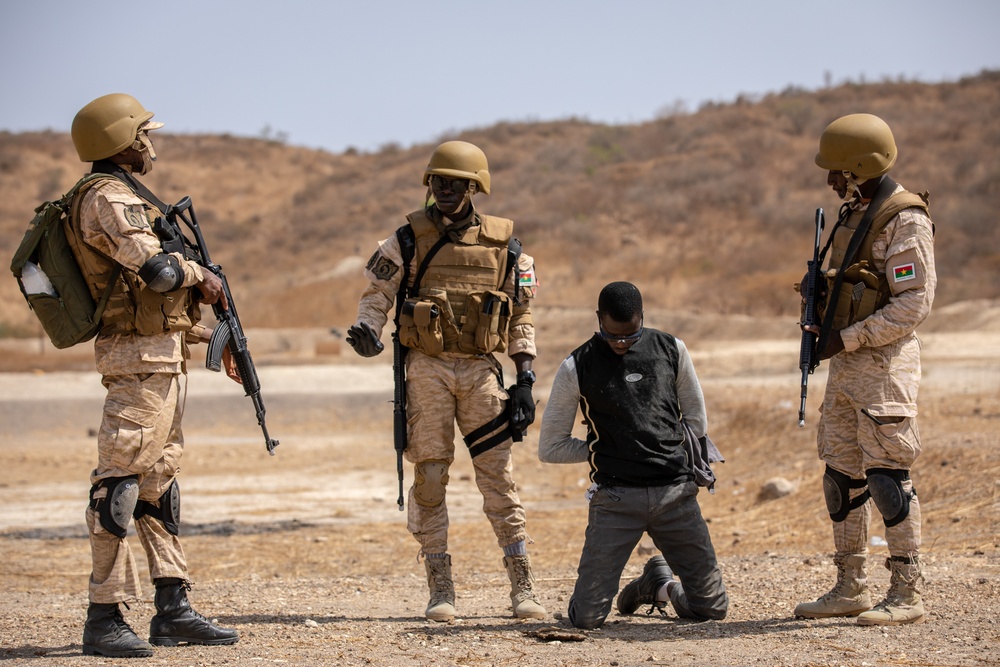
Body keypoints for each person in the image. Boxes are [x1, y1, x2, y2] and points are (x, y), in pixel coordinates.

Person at [68, 93, 241, 657]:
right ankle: (104, 615)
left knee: (157, 486)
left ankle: (172, 608)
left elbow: (149, 298)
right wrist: (203, 277)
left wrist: (211, 337)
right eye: (143, 133)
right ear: (121, 140)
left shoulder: (128, 194)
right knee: (117, 486)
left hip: (159, 357)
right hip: (135, 364)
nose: (151, 144)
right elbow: (159, 270)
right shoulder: (108, 198)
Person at [346, 140, 545, 622]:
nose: (445, 190)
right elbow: (378, 294)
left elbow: (520, 314)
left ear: (476, 187)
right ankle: (440, 586)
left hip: (479, 369)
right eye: (438, 181)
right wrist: (368, 330)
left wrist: (525, 378)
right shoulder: (407, 238)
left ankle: (523, 584)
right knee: (431, 478)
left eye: (456, 183)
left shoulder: (507, 246)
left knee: (497, 478)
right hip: (427, 369)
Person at [795, 113, 936, 625]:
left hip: (883, 368)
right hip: (846, 369)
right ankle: (849, 585)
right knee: (841, 477)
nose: (831, 180)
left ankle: (906, 592)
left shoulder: (905, 221)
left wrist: (846, 338)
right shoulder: (852, 214)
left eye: (837, 170)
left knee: (888, 480)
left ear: (860, 166)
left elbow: (912, 305)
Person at [537, 281, 728, 630]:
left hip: (676, 495)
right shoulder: (576, 365)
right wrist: (604, 449)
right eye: (613, 337)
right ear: (599, 320)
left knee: (711, 609)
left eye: (631, 336)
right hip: (615, 499)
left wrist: (668, 451)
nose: (622, 343)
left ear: (643, 318)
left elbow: (697, 422)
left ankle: (658, 586)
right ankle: (616, 593)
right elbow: (550, 447)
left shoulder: (671, 348)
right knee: (587, 619)